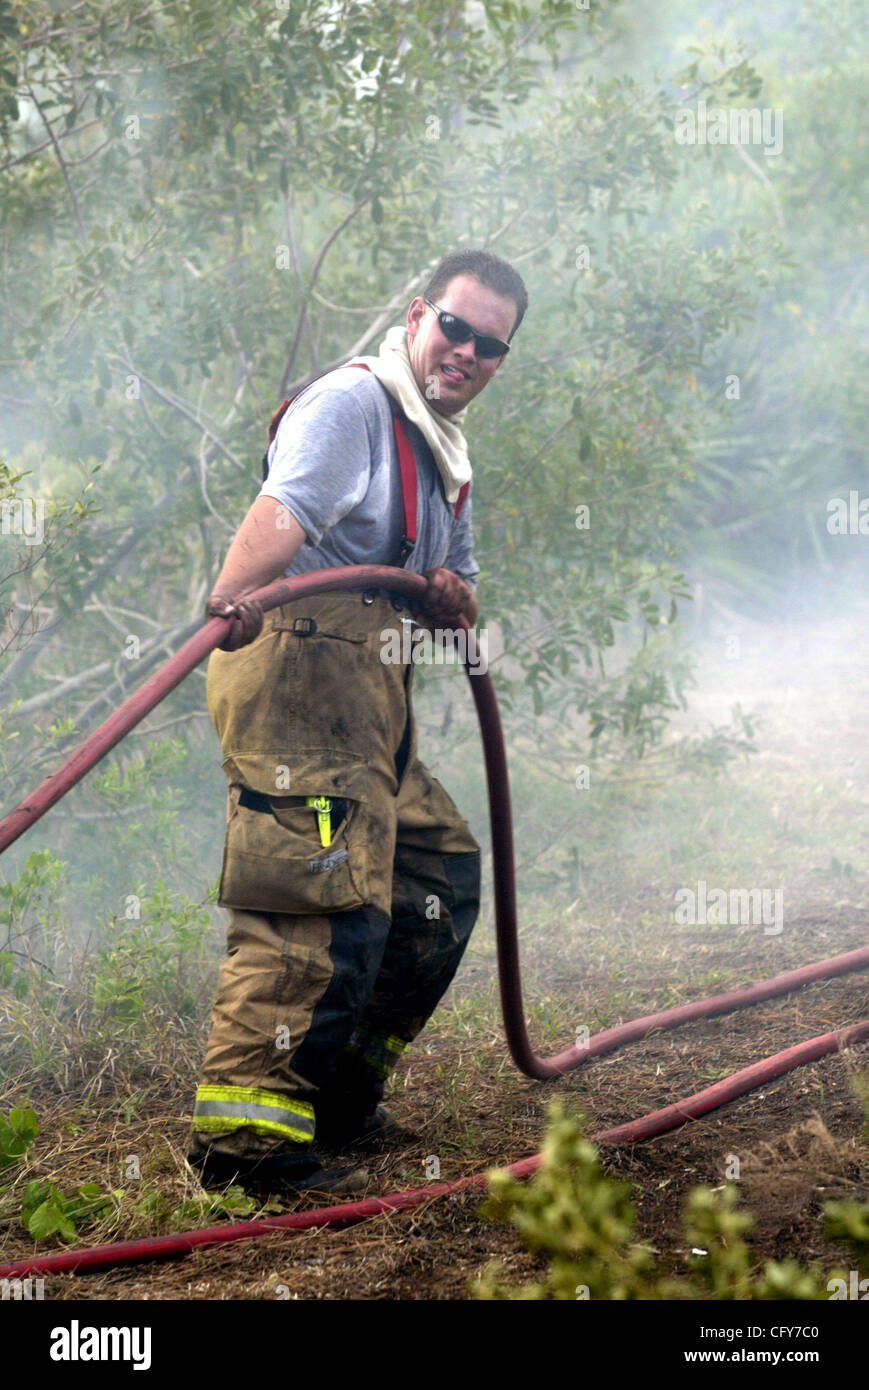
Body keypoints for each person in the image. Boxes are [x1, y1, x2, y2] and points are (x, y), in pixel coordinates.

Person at [187, 248, 529, 1195]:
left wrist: (453, 592)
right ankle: (245, 1147)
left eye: (487, 344)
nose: (464, 351)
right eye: (453, 327)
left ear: (499, 361)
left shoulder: (443, 449)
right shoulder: (355, 405)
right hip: (297, 669)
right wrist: (233, 596)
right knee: (319, 901)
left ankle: (331, 1096)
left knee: (436, 874)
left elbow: (449, 572)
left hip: (368, 695)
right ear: (419, 317)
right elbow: (285, 508)